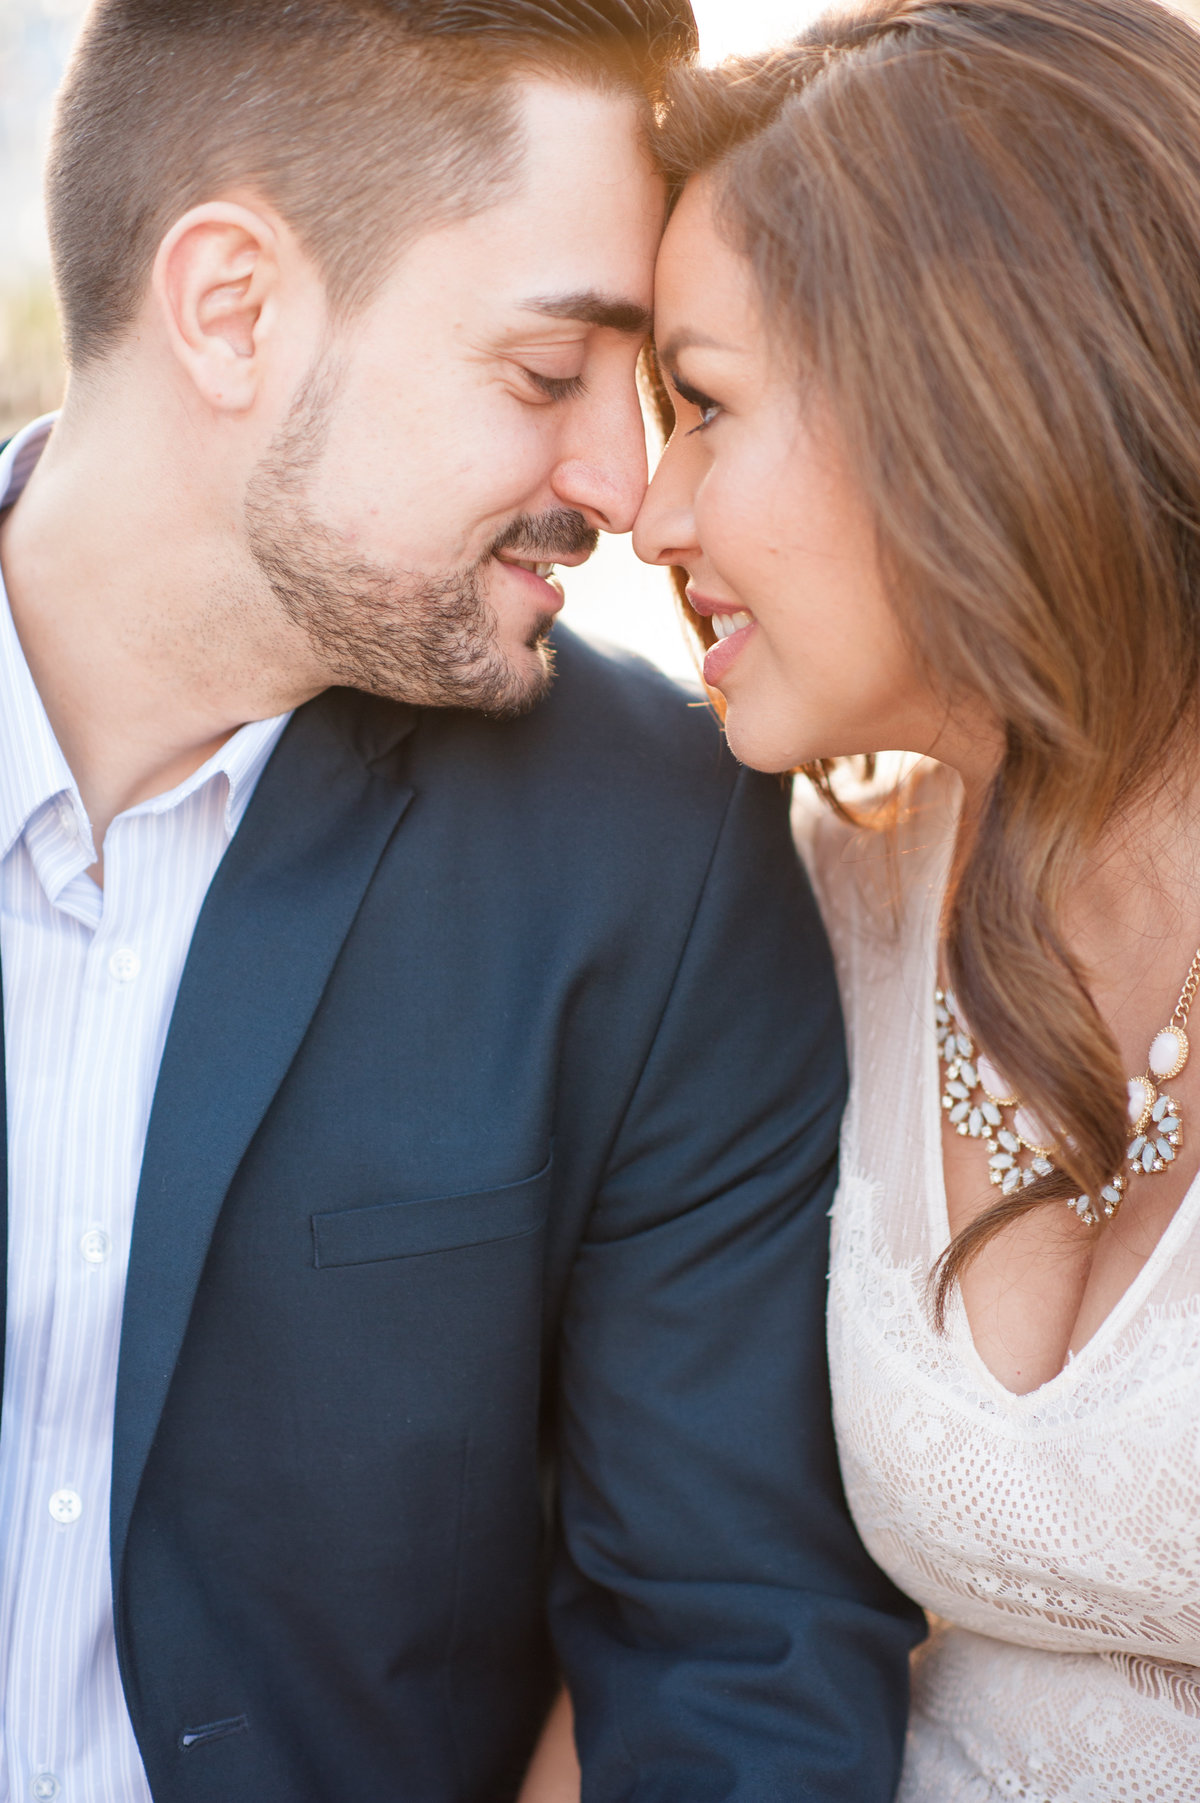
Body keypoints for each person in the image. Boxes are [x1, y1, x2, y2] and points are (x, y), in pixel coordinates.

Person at [0, 1, 922, 1798]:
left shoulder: (656, 841)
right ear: (234, 307)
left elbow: (727, 1643)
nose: (625, 486)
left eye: (649, 385)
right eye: (543, 372)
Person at [631, 0, 1200, 1796]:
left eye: (702, 407)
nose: (651, 515)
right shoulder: (816, 910)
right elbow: (673, 1596)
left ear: (967, 390)